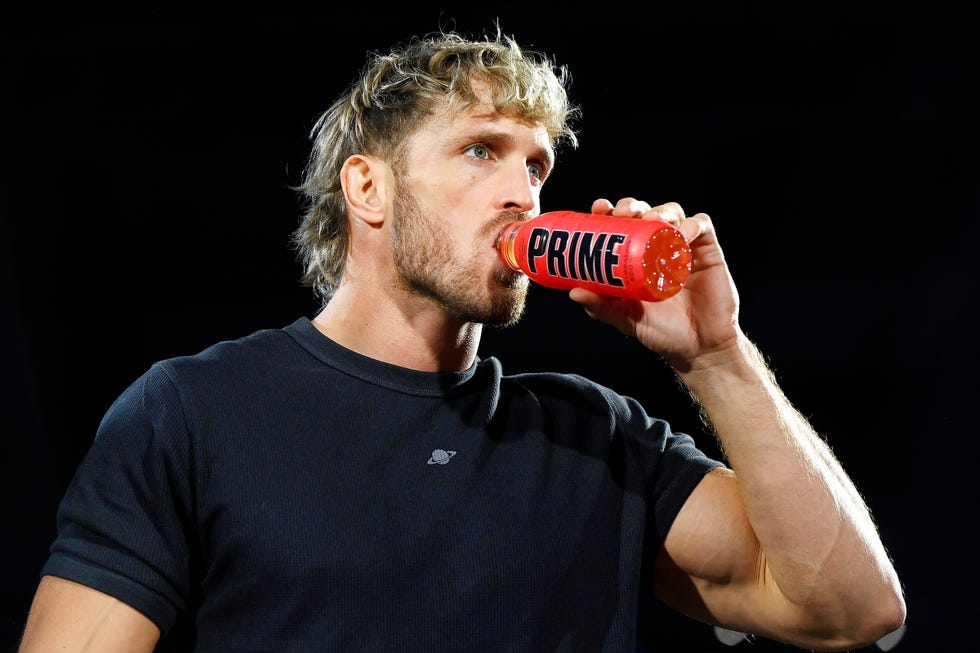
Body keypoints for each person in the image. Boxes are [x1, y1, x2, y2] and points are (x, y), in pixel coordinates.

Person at [18, 26, 905, 653]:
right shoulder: (194, 412)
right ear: (367, 188)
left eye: (537, 164)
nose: (525, 190)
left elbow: (849, 609)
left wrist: (716, 357)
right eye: (483, 151)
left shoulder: (593, 437)